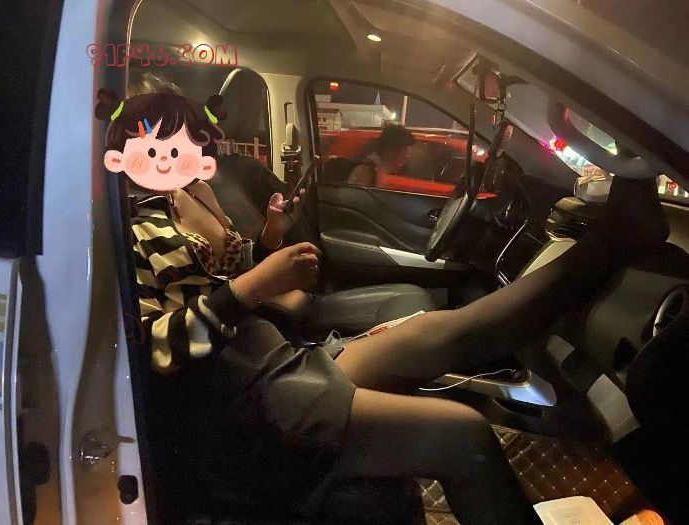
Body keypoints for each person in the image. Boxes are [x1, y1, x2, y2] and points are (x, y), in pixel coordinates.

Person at [96, 87, 668, 525]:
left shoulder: (180, 200)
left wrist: (268, 240)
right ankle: (615, 238)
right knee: (461, 434)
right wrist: (253, 287)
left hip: (264, 361)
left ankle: (610, 241)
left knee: (438, 333)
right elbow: (152, 352)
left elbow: (223, 277)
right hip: (242, 403)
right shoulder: (125, 231)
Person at [347, 124, 416, 186]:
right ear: (390, 151)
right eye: (405, 155)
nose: (405, 161)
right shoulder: (366, 173)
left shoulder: (379, 171)